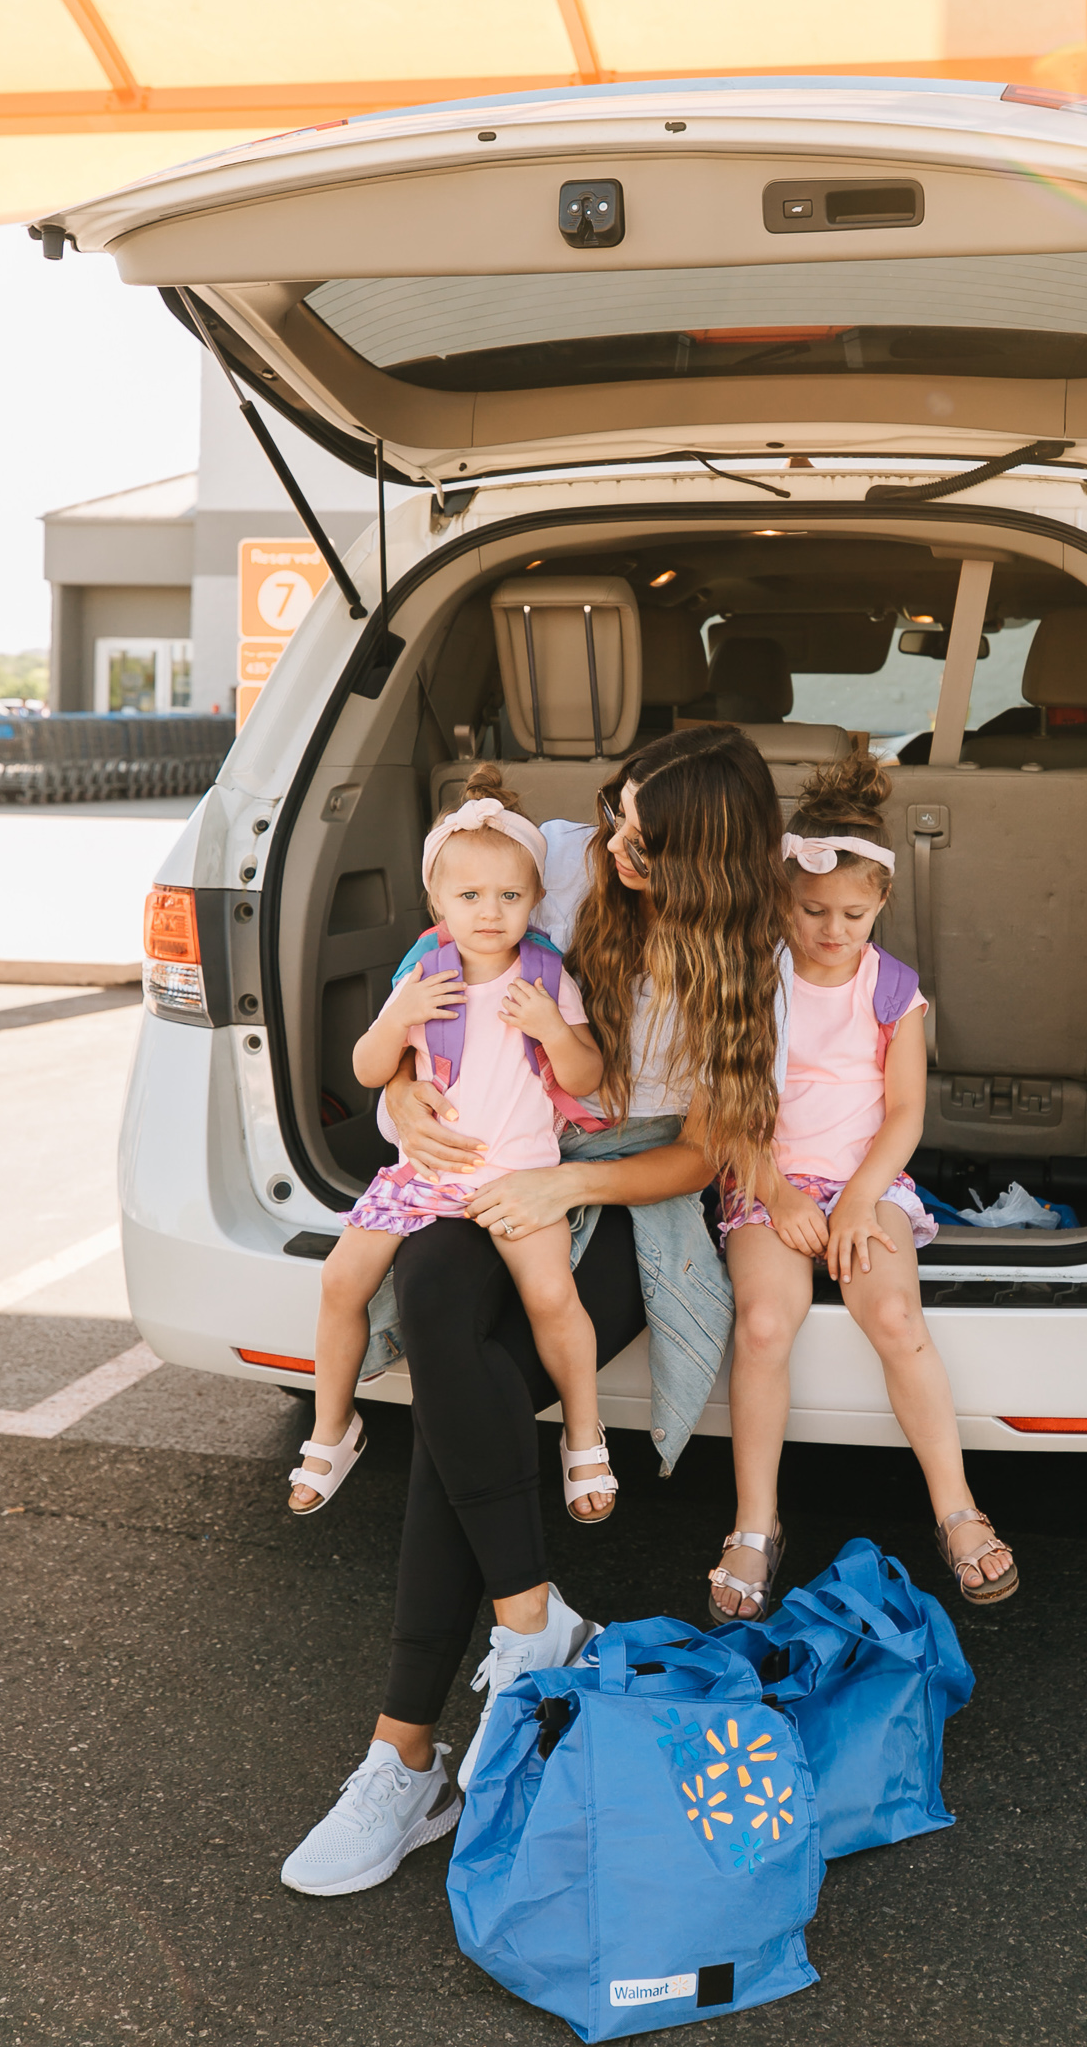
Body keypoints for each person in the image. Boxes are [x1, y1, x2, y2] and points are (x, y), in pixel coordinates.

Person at [281, 726, 793, 1898]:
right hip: (491, 1153)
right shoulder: (557, 858)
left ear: (704, 866)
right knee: (434, 1292)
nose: (612, 846)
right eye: (616, 820)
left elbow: (707, 1149)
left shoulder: (749, 955)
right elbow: (436, 1000)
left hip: (622, 1188)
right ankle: (530, 1618)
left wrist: (567, 1181)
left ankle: (402, 1753)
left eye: (643, 844)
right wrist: (406, 1094)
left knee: (482, 1392)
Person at [707, 755, 1018, 1625]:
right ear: (782, 901)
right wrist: (780, 1194)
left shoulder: (893, 990)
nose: (831, 930)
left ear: (880, 903)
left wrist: (852, 1202)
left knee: (893, 1318)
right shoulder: (754, 976)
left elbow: (906, 1113)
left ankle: (957, 1509)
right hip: (770, 1181)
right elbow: (729, 1110)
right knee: (765, 1322)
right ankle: (754, 1522)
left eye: (851, 913)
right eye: (811, 912)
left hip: (865, 1182)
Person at [286, 767, 616, 1526]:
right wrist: (396, 1013)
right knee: (342, 1283)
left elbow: (587, 1074)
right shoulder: (424, 972)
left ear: (535, 901)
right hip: (425, 1173)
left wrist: (553, 1030)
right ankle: (333, 1427)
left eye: (509, 896)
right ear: (436, 903)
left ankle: (581, 1430)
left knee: (550, 1297)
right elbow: (370, 1070)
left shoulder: (545, 975)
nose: (489, 913)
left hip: (518, 1173)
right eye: (468, 897)